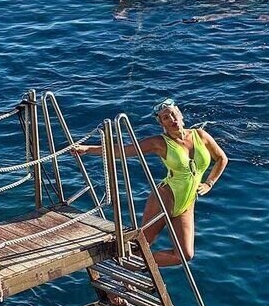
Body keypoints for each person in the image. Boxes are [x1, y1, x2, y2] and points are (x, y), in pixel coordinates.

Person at [76, 98, 228, 267]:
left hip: (187, 203)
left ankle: (127, 264)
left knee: (184, 255)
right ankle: (126, 273)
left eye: (173, 114)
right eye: (165, 118)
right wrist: (88, 149)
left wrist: (209, 183)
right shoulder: (159, 143)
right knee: (142, 245)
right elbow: (123, 151)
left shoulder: (200, 135)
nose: (171, 120)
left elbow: (221, 158)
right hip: (164, 198)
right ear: (161, 123)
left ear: (181, 115)